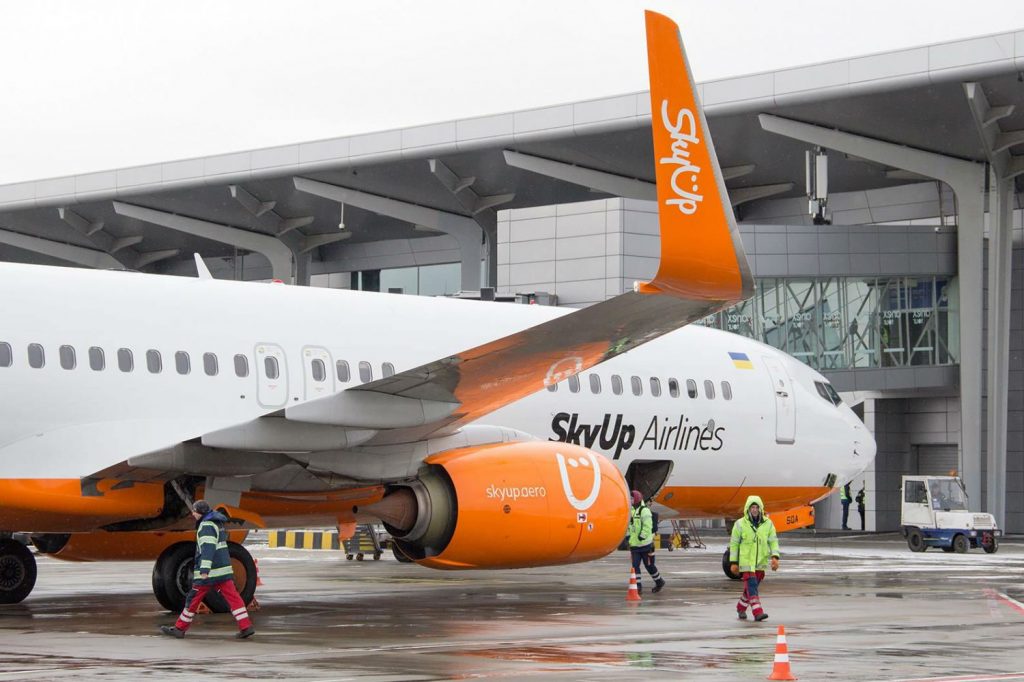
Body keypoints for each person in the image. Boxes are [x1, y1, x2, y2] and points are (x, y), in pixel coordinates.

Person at [160, 500, 255, 639]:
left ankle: (180, 628)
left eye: (194, 511)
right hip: (223, 570)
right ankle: (246, 626)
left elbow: (208, 549)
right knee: (234, 598)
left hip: (210, 573)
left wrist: (204, 569)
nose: (192, 514)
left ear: (200, 512)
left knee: (193, 599)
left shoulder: (206, 526)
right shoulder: (216, 523)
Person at [729, 495, 780, 622]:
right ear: (748, 509)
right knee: (752, 587)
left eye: (757, 507)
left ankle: (740, 608)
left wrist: (775, 557)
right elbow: (734, 544)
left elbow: (773, 541)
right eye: (752, 507)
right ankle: (758, 612)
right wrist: (734, 562)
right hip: (746, 562)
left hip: (760, 562)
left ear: (760, 508)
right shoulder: (740, 524)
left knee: (750, 589)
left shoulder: (768, 524)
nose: (755, 510)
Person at [627, 490, 665, 594]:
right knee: (635, 567)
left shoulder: (645, 511)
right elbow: (630, 526)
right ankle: (638, 587)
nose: (630, 500)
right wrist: (628, 538)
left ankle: (659, 582)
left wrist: (642, 536)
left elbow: (648, 526)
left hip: (646, 545)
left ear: (637, 499)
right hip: (635, 546)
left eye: (632, 498)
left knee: (649, 566)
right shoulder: (631, 511)